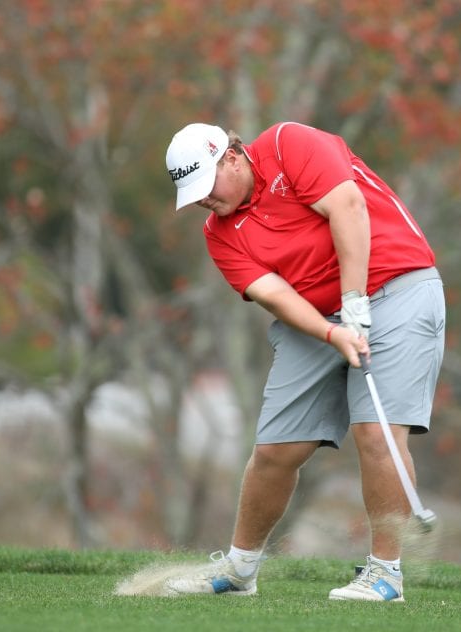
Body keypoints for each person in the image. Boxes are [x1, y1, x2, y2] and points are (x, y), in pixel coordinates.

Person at [162, 121, 445, 602]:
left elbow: (348, 207)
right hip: (317, 316)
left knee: (376, 432)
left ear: (231, 157)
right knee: (275, 450)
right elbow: (273, 294)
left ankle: (385, 575)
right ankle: (239, 570)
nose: (203, 201)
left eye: (206, 187)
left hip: (398, 288)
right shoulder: (221, 234)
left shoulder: (287, 143)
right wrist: (332, 331)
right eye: (193, 196)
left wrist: (355, 303)